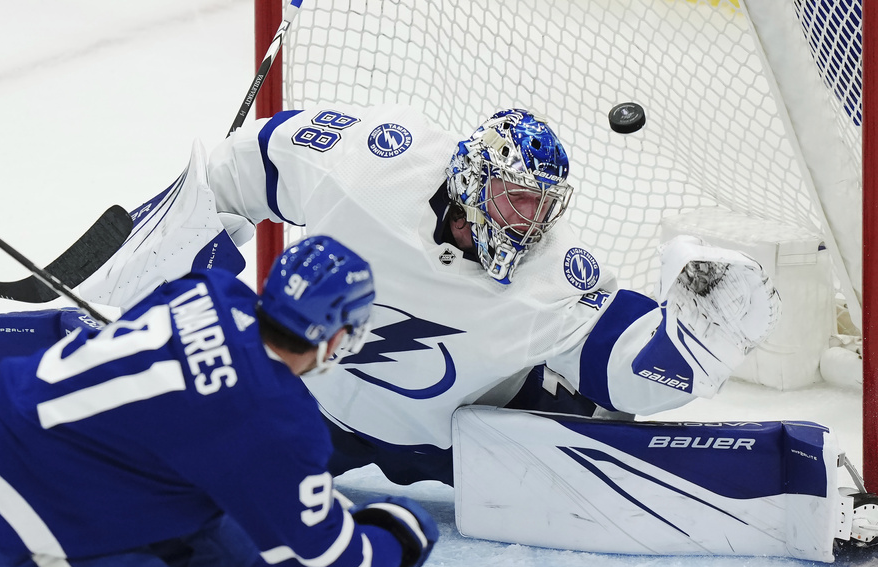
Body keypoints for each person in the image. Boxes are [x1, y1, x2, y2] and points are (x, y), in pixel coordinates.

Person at [76, 106, 782, 487]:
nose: (528, 224)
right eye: (514, 202)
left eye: (542, 208)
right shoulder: (374, 166)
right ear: (473, 182)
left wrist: (698, 342)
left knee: (583, 403)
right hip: (311, 416)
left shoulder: (554, 275)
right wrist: (173, 260)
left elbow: (625, 364)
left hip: (460, 447)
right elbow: (241, 166)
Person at [0, 235, 438, 567]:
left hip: (112, 473)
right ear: (335, 336)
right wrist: (400, 532)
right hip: (21, 504)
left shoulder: (212, 287)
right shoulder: (278, 423)